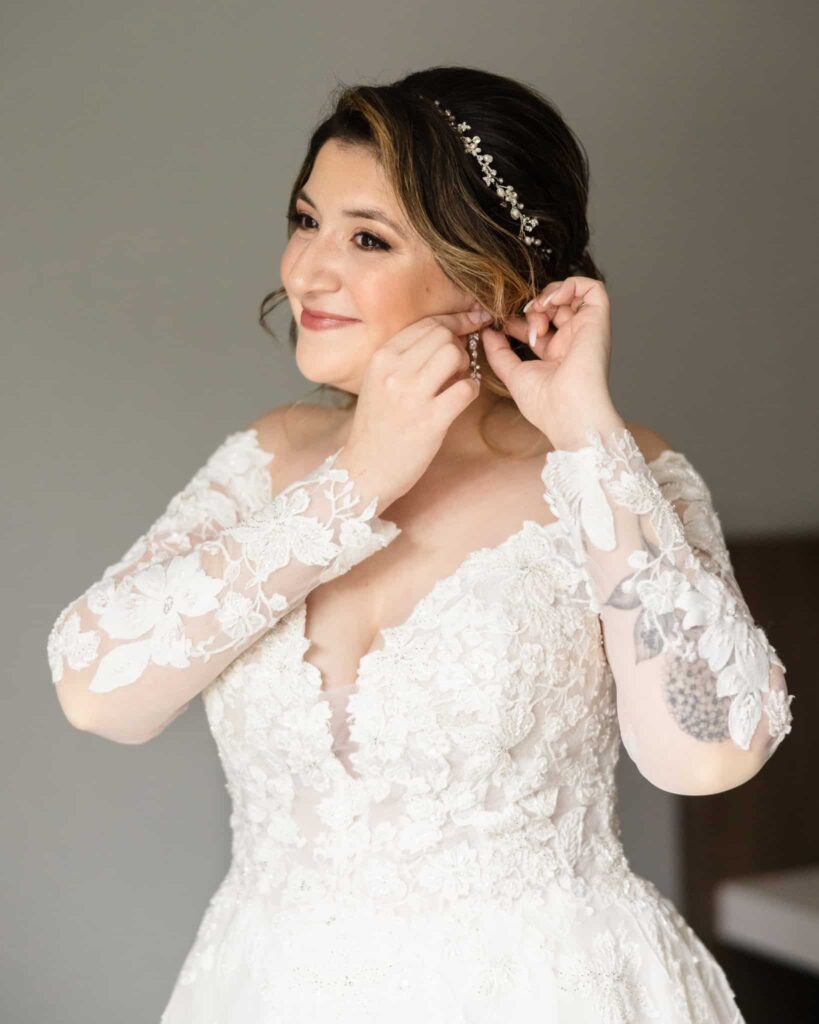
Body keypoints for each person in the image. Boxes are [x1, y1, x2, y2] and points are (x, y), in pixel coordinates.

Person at [47, 65, 794, 1022]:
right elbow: (95, 694)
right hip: (268, 987)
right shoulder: (272, 456)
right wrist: (357, 475)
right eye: (305, 219)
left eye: (366, 237)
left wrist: (588, 434)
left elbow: (708, 756)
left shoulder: (613, 470)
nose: (308, 269)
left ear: (486, 270)